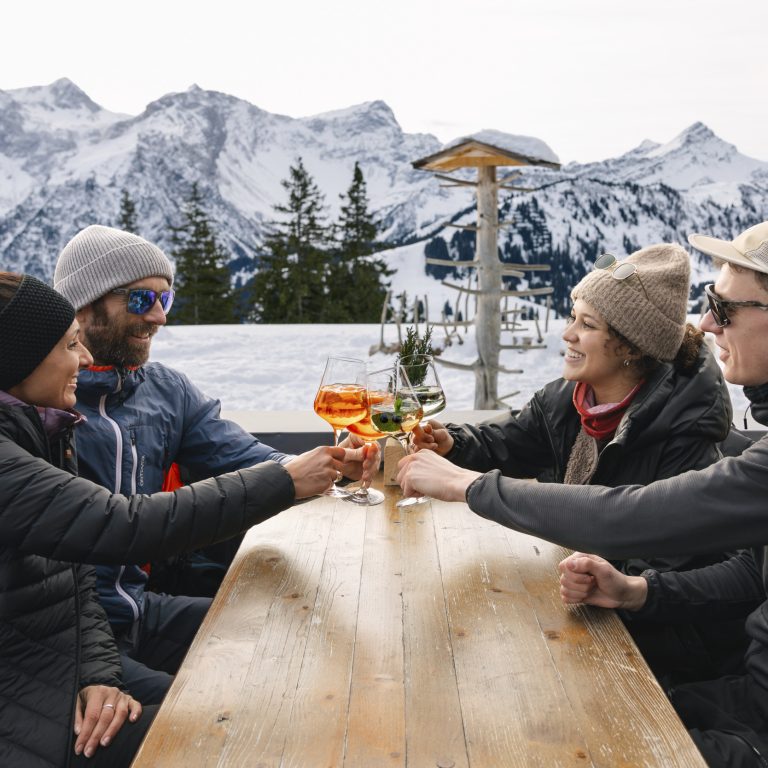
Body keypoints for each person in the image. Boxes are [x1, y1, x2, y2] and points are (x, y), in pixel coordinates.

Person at [397, 220, 768, 767]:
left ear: (629, 346)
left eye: (727, 308)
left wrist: (470, 486)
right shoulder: (564, 398)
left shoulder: (693, 436)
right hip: (743, 690)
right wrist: (633, 591)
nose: (708, 321)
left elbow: (630, 519)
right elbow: (753, 571)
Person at [0, 272, 363, 768]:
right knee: (224, 729)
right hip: (27, 690)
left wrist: (98, 671)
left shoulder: (42, 425)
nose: (83, 358)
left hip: (83, 646)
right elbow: (119, 525)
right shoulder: (38, 433)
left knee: (284, 639)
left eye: (166, 298)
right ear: (19, 359)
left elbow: (75, 574)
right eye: (69, 346)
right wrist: (284, 481)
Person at [53, 225, 375, 705]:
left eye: (168, 299)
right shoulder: (41, 407)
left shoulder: (166, 391)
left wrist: (327, 463)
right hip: (72, 632)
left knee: (300, 632)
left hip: (141, 607)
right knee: (208, 717)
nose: (160, 317)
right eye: (143, 300)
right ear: (85, 304)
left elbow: (244, 456)